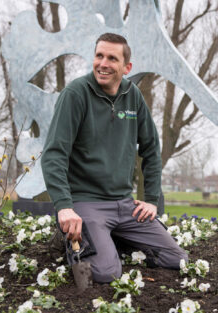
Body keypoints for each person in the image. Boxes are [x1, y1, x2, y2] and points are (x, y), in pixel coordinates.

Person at [41, 33, 188, 283]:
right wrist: (64, 207)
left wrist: (151, 199)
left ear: (126, 67)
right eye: (99, 56)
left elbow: (151, 148)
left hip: (125, 205)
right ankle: (71, 239)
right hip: (86, 203)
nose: (103, 63)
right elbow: (54, 154)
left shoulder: (133, 97)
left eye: (112, 58)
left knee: (177, 259)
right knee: (106, 273)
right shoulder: (75, 94)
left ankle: (109, 239)